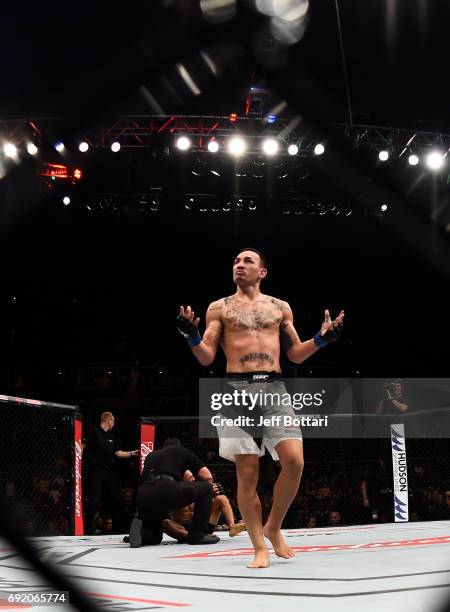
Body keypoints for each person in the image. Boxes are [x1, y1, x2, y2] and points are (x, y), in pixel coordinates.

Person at [177, 247, 344, 568]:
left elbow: (295, 353)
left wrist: (323, 339)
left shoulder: (280, 308)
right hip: (237, 392)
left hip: (274, 389)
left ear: (262, 272)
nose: (239, 265)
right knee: (248, 474)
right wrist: (192, 336)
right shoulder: (219, 308)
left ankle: (273, 527)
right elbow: (207, 355)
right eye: (236, 261)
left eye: (247, 261)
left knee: (294, 461)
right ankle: (258, 547)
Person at [128, 438, 220, 547]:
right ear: (178, 446)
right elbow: (206, 475)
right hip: (166, 487)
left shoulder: (151, 455)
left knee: (155, 535)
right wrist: (209, 490)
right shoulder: (181, 451)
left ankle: (142, 534)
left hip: (143, 494)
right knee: (206, 488)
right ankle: (198, 535)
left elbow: (142, 480)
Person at [85, 411, 139, 535]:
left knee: (116, 499)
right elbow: (83, 445)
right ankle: (88, 530)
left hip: (110, 472)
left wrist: (132, 453)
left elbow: (118, 453)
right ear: (108, 420)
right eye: (113, 421)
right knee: (94, 500)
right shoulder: (94, 431)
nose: (114, 423)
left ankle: (118, 528)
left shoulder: (111, 436)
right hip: (96, 471)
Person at [163, 469, 246, 542]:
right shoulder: (174, 491)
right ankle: (191, 537)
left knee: (221, 498)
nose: (193, 479)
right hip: (183, 529)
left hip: (202, 525)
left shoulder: (198, 488)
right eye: (190, 478)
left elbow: (206, 506)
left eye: (192, 477)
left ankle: (232, 527)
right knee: (166, 523)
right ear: (182, 480)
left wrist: (211, 493)